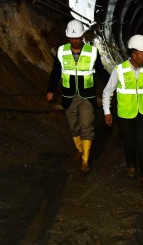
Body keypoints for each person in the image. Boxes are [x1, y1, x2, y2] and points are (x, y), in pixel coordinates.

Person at [46, 19, 109, 173]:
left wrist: (112, 83)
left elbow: (100, 71)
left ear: (82, 37)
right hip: (68, 95)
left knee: (86, 126)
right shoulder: (61, 51)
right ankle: (80, 150)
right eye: (72, 38)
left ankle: (85, 160)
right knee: (74, 127)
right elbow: (55, 72)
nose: (74, 41)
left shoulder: (92, 52)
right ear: (68, 37)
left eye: (77, 38)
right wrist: (51, 89)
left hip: (87, 96)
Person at [102, 35, 143, 188]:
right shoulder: (119, 70)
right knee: (130, 142)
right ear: (134, 55)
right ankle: (131, 165)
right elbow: (108, 92)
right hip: (126, 113)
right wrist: (107, 111)